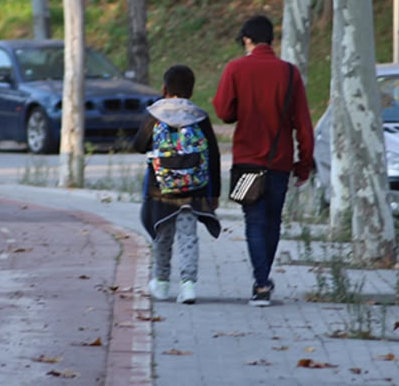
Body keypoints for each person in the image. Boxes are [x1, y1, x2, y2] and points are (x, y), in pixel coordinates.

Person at [212, 15, 314, 306]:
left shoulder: (235, 68)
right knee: (272, 222)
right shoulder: (290, 73)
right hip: (280, 162)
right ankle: (263, 279)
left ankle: (260, 284)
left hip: (246, 162)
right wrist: (303, 164)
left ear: (247, 39)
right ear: (271, 39)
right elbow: (303, 125)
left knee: (253, 221)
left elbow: (223, 111)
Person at [133, 65, 222, 305]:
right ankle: (188, 285)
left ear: (164, 89)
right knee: (188, 237)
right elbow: (213, 155)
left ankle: (161, 283)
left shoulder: (155, 114)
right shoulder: (199, 117)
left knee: (163, 235)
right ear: (191, 92)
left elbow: (139, 145)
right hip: (193, 189)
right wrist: (215, 194)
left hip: (160, 190)